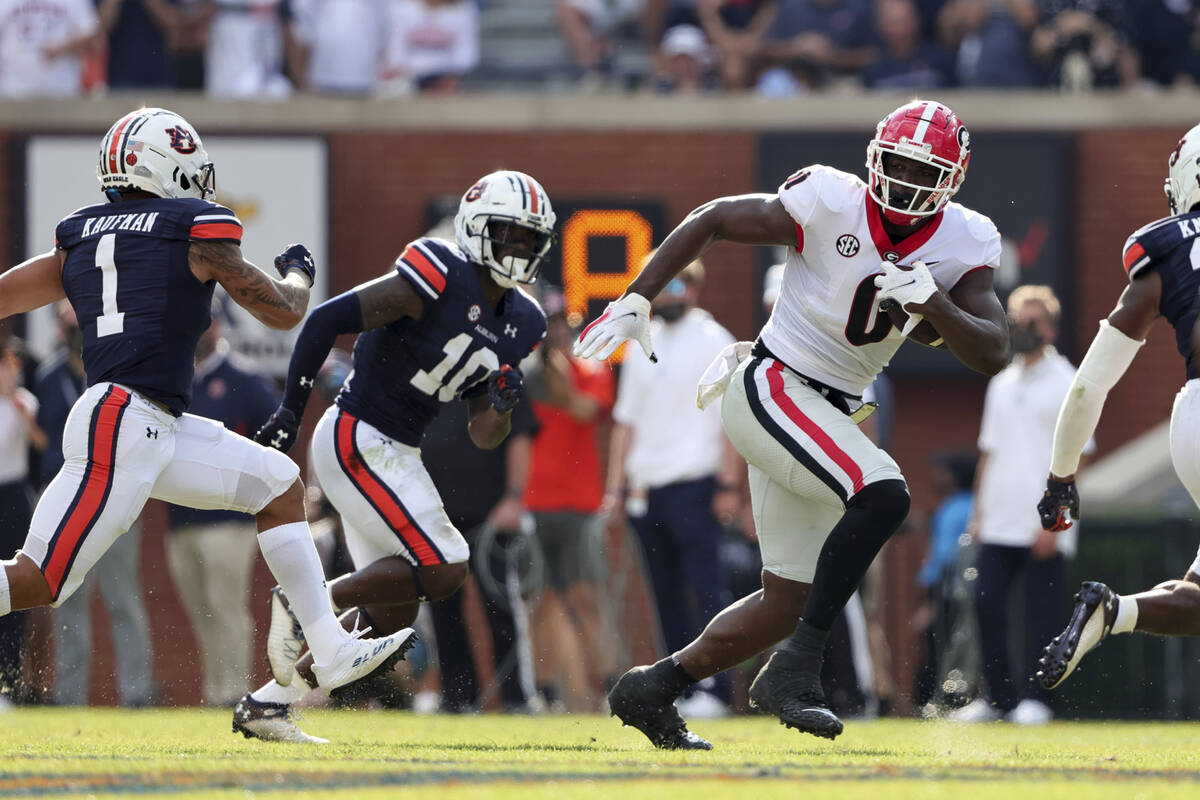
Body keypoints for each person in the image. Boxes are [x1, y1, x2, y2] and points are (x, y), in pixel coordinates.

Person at [576, 98, 1009, 747]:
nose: (909, 183)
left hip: (826, 410)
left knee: (785, 600)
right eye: (898, 166)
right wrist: (637, 294)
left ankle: (652, 688)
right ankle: (796, 669)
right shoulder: (830, 199)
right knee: (884, 492)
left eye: (926, 173)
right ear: (874, 160)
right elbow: (713, 217)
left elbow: (992, 351)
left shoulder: (965, 241)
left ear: (953, 178)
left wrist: (936, 304)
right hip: (773, 384)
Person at [0, 107, 409, 714]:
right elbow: (283, 311)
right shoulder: (191, 225)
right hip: (125, 420)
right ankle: (323, 646)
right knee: (38, 581)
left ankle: (326, 645)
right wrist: (297, 271)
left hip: (147, 421)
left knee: (278, 483)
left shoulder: (78, 237)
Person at [232, 170, 555, 741]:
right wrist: (289, 412)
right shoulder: (437, 270)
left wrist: (501, 406)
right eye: (511, 234)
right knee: (447, 564)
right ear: (479, 231)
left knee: (395, 613)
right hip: (359, 431)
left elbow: (485, 432)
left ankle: (268, 705)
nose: (521, 249)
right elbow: (328, 319)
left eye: (532, 239)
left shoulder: (525, 320)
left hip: (397, 448)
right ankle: (304, 598)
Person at [1036, 123, 1200, 693]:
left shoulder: (1166, 252)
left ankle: (1115, 613)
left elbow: (1088, 387)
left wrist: (1061, 476)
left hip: (1193, 421)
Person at [606, 257, 742, 718]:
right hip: (647, 488)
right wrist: (615, 489)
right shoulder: (638, 344)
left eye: (676, 286)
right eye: (660, 286)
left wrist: (729, 484)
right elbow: (624, 424)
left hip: (697, 484)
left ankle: (717, 690)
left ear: (695, 288)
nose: (665, 295)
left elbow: (732, 422)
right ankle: (679, 687)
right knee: (663, 592)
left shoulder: (715, 341)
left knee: (707, 588)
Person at [949, 285, 1087, 725]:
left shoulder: (1069, 382)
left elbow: (1081, 454)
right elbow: (988, 452)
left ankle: (1038, 700)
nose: (1024, 330)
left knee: (1042, 612)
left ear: (1050, 327)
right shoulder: (1002, 381)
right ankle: (999, 699)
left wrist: (1058, 522)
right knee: (986, 602)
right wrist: (979, 512)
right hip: (1000, 520)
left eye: (1033, 322)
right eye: (1017, 321)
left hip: (1046, 520)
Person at [36, 302, 155, 708]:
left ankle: (136, 694)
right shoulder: (48, 378)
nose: (73, 322)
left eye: (78, 314)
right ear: (59, 325)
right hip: (64, 506)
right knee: (66, 604)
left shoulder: (115, 375)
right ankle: (69, 696)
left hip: (114, 499)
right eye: (66, 315)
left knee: (124, 599)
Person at [165, 312, 282, 707]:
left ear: (217, 326)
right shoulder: (172, 377)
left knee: (226, 606)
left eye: (205, 322)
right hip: (180, 520)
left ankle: (234, 692)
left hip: (229, 520)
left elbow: (277, 437)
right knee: (200, 610)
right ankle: (214, 691)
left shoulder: (244, 378)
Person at [524, 286, 619, 712]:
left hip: (580, 504)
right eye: (548, 326)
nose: (556, 333)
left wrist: (554, 368)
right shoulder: (524, 373)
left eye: (560, 324)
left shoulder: (591, 368)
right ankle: (544, 695)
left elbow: (582, 409)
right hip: (535, 502)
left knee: (585, 597)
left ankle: (610, 687)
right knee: (541, 601)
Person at [0, 338, 46, 708]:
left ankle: (8, 687)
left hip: (13, 500)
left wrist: (23, 411)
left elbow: (42, 443)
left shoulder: (23, 402)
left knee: (11, 597)